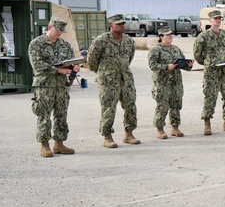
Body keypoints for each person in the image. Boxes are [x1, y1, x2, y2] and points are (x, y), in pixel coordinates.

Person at [28, 16, 80, 157]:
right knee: (44, 115)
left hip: (61, 86)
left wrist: (74, 67)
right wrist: (57, 70)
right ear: (50, 27)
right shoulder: (36, 44)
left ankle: (59, 144)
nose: (59, 33)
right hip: (44, 85)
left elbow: (70, 61)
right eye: (57, 30)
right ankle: (44, 145)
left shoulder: (65, 45)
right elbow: (37, 65)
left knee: (61, 114)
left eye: (61, 31)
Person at [87, 13, 139, 148]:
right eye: (119, 24)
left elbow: (129, 58)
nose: (122, 26)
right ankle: (107, 136)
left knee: (130, 106)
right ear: (111, 25)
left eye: (123, 24)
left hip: (126, 79)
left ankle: (129, 134)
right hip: (108, 81)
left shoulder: (129, 41)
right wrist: (103, 73)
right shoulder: (101, 40)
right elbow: (91, 61)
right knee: (108, 108)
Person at [193, 9, 225, 135]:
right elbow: (197, 55)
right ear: (210, 20)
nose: (218, 20)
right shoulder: (203, 36)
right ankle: (207, 123)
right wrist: (208, 63)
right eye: (215, 19)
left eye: (219, 18)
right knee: (210, 96)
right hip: (211, 71)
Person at [147, 27, 193, 139]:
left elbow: (182, 64)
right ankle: (160, 129)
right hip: (162, 83)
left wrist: (188, 65)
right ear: (161, 37)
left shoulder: (176, 49)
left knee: (176, 105)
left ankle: (175, 128)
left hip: (176, 82)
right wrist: (166, 67)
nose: (170, 37)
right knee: (162, 106)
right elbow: (152, 66)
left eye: (171, 35)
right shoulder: (156, 50)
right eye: (167, 35)